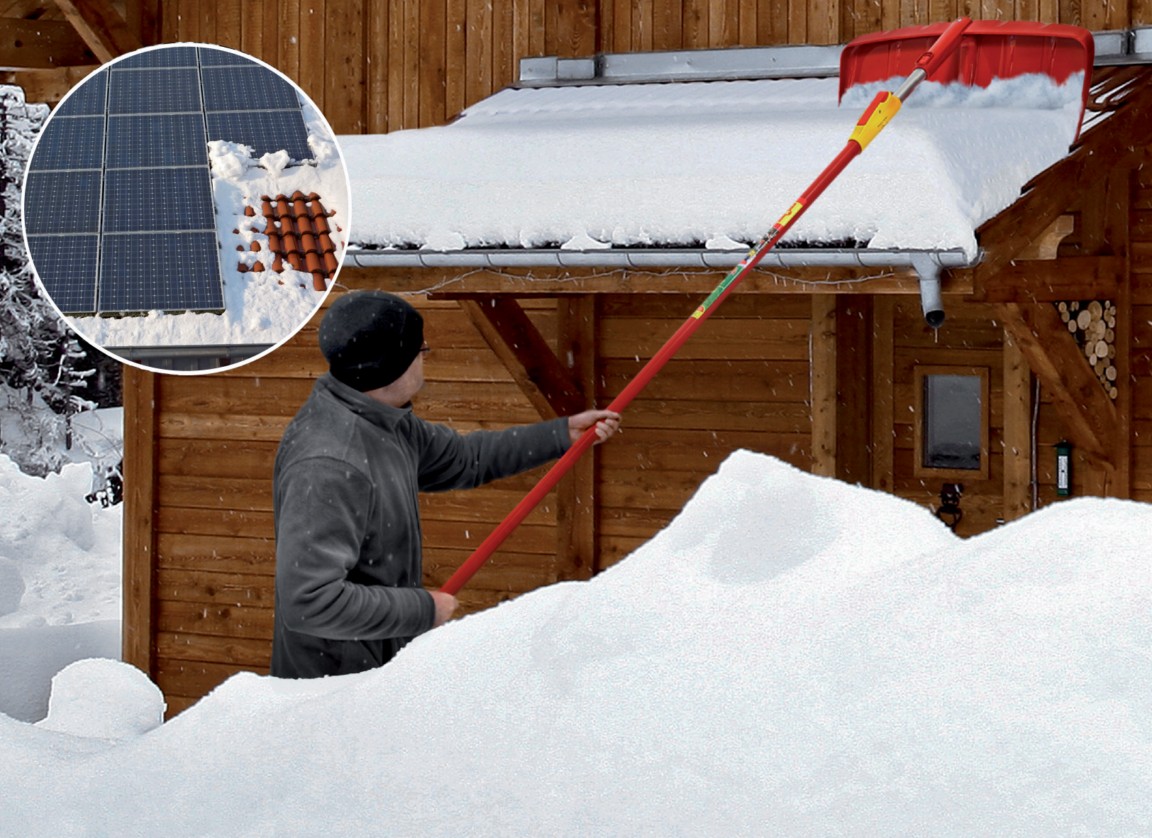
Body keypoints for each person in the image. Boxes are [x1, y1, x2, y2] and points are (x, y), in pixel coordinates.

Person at [270, 290, 620, 678]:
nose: (425, 358)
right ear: (393, 365)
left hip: (375, 672)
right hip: (331, 689)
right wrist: (423, 610)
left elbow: (465, 459)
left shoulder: (382, 420)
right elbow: (310, 602)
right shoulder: (331, 464)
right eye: (422, 350)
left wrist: (560, 435)